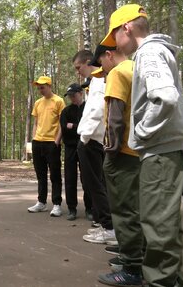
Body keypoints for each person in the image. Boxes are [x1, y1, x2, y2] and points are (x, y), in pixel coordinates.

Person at [100, 4, 183, 287]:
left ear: (126, 27)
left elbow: (164, 97)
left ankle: (162, 282)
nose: (114, 44)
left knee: (158, 225)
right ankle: (172, 280)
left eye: (114, 35)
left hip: (159, 149)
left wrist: (140, 132)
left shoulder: (149, 53)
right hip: (164, 147)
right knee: (162, 222)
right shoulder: (153, 53)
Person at [91, 43, 144, 285]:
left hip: (121, 151)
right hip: (138, 150)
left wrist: (110, 150)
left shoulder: (117, 73)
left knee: (123, 211)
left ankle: (132, 269)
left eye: (101, 62)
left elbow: (114, 115)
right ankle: (136, 257)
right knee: (135, 208)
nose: (102, 69)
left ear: (108, 55)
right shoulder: (137, 68)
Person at [72, 50, 115, 244]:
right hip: (93, 140)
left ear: (88, 62)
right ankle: (101, 222)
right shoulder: (96, 81)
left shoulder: (99, 80)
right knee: (94, 185)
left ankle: (108, 226)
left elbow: (97, 110)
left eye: (79, 67)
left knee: (96, 185)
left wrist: (85, 137)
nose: (78, 72)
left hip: (91, 141)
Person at [27, 76, 65, 216]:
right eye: (38, 88)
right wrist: (33, 139)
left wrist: (57, 141)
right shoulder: (38, 103)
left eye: (42, 87)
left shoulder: (59, 101)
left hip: (52, 143)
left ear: (49, 86)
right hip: (38, 142)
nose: (40, 90)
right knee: (40, 174)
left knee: (55, 175)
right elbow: (36, 123)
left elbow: (62, 123)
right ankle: (41, 202)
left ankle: (57, 204)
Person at [60, 83, 92, 221]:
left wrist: (74, 126)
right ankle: (71, 209)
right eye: (70, 96)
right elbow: (64, 128)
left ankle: (90, 208)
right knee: (70, 178)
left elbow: (90, 127)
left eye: (74, 95)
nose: (72, 98)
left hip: (86, 146)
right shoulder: (66, 111)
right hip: (70, 148)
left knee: (87, 178)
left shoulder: (89, 109)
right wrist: (78, 128)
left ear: (81, 93)